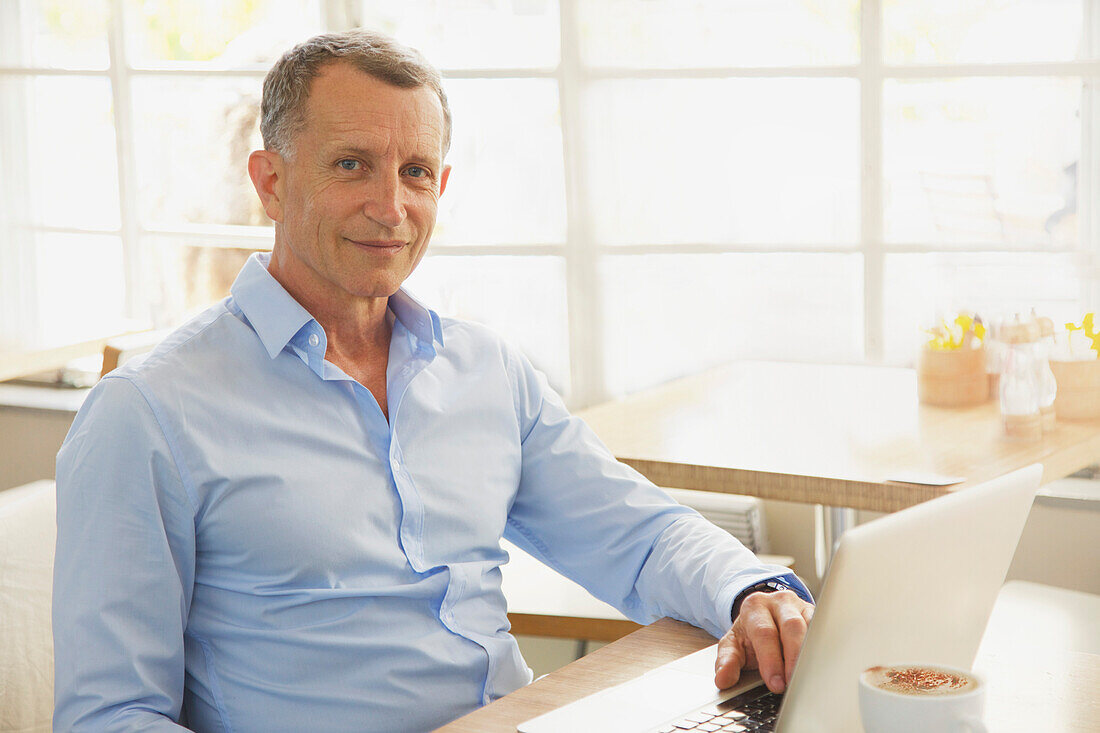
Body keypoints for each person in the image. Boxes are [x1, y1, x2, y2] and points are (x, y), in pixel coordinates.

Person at [53, 30, 814, 733]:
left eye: (415, 172)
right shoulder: (147, 411)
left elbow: (639, 537)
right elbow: (111, 715)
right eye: (351, 164)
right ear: (271, 181)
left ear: (440, 186)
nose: (391, 207)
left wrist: (753, 594)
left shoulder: (486, 370)